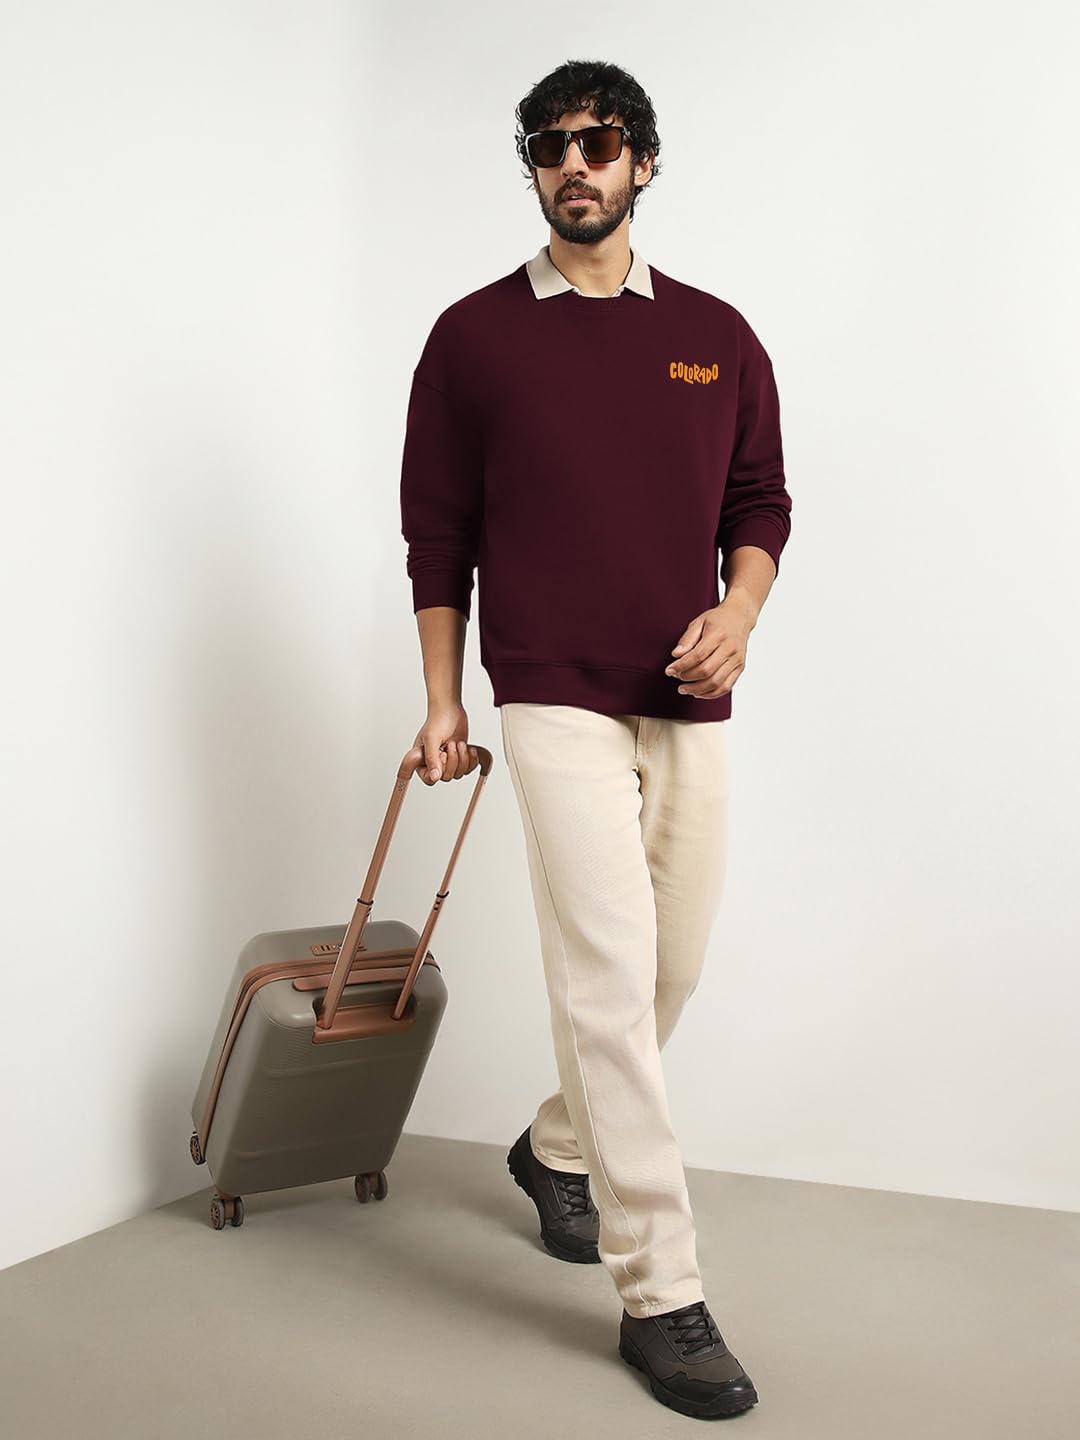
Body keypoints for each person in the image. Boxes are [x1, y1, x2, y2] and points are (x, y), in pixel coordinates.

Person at [398, 57, 791, 1421]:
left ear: (643, 162)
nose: (576, 162)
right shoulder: (471, 338)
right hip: (549, 688)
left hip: (686, 689)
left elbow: (761, 501)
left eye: (601, 141)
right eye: (552, 144)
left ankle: (558, 1148)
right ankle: (662, 1292)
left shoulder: (718, 336)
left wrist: (739, 613)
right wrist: (445, 698)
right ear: (533, 168)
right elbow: (437, 534)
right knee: (611, 980)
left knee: (672, 967)